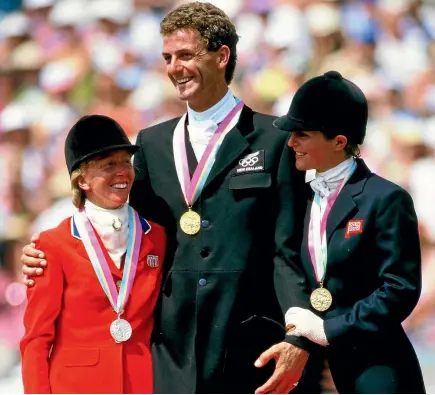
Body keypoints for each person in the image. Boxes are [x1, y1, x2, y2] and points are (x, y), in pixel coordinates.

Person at [21, 3, 315, 393]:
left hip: (249, 346)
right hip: (169, 355)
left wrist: (298, 336)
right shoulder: (151, 143)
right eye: (167, 58)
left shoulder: (274, 139)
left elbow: (289, 251)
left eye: (186, 55)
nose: (174, 67)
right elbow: (118, 228)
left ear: (221, 56)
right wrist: (44, 251)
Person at [274, 70, 426, 393]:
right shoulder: (301, 199)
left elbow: (400, 290)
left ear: (339, 141)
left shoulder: (385, 199)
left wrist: (330, 329)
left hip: (376, 370)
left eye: (302, 134)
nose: (291, 143)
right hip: (317, 372)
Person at [20, 115, 166, 393]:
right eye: (109, 164)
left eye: (125, 161)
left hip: (143, 384)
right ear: (83, 179)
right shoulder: (52, 246)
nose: (122, 171)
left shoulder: (157, 237)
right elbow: (36, 341)